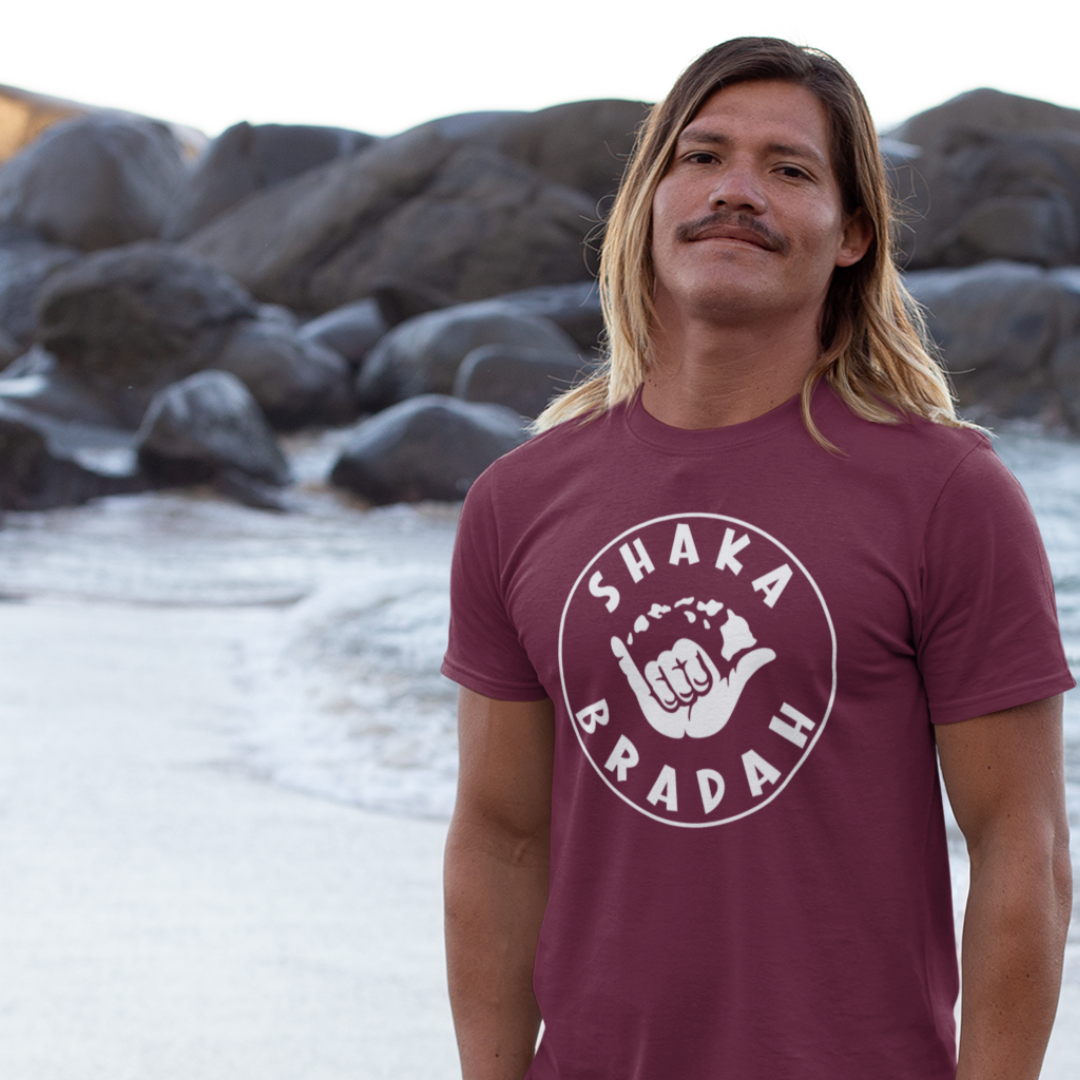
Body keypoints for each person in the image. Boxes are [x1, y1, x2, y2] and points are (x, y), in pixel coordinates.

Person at [441, 37, 1074, 1080]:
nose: (736, 191)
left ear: (853, 234)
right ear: (649, 203)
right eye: (700, 158)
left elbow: (1024, 850)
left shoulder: (951, 495)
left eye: (788, 170)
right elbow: (500, 837)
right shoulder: (518, 502)